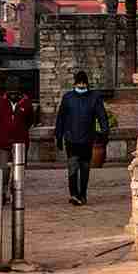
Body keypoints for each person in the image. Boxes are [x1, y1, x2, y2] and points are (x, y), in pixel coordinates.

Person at [54, 69, 111, 206]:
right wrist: (59, 135)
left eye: (83, 84)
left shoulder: (94, 97)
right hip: (71, 139)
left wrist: (104, 133)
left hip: (86, 139)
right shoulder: (68, 98)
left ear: (86, 84)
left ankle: (82, 195)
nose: (81, 86)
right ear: (75, 84)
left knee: (85, 169)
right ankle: (74, 194)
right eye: (79, 83)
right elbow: (61, 118)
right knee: (73, 167)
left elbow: (102, 117)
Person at [0, 86, 37, 202]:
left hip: (20, 142)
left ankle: (16, 192)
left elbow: (30, 121)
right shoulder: (0, 102)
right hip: (3, 141)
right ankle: (1, 193)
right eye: (10, 93)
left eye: (15, 93)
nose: (13, 95)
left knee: (19, 170)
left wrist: (20, 130)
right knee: (3, 169)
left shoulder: (26, 103)